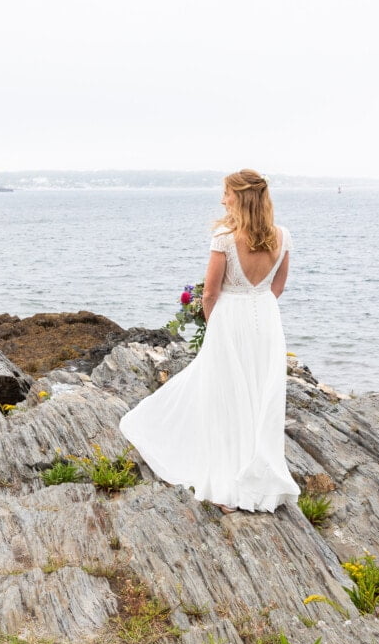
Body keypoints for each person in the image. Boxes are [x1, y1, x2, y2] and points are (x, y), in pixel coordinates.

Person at [120, 169, 300, 513]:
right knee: (262, 395)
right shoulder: (283, 236)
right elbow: (277, 287)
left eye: (227, 193)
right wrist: (257, 306)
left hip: (229, 320)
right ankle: (261, 476)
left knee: (227, 398)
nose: (222, 199)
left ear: (241, 198)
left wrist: (217, 325)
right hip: (267, 322)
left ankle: (227, 484)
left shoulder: (225, 239)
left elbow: (210, 293)